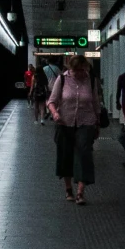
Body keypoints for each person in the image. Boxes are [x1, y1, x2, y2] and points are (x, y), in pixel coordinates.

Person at [46, 48, 99, 202]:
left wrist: (97, 124)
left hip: (86, 122)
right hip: (64, 122)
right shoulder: (62, 80)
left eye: (83, 70)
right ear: (71, 69)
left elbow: (95, 103)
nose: (80, 73)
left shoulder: (91, 80)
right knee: (65, 155)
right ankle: (68, 189)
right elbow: (52, 101)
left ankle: (80, 192)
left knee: (84, 153)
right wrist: (55, 113)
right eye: (77, 71)